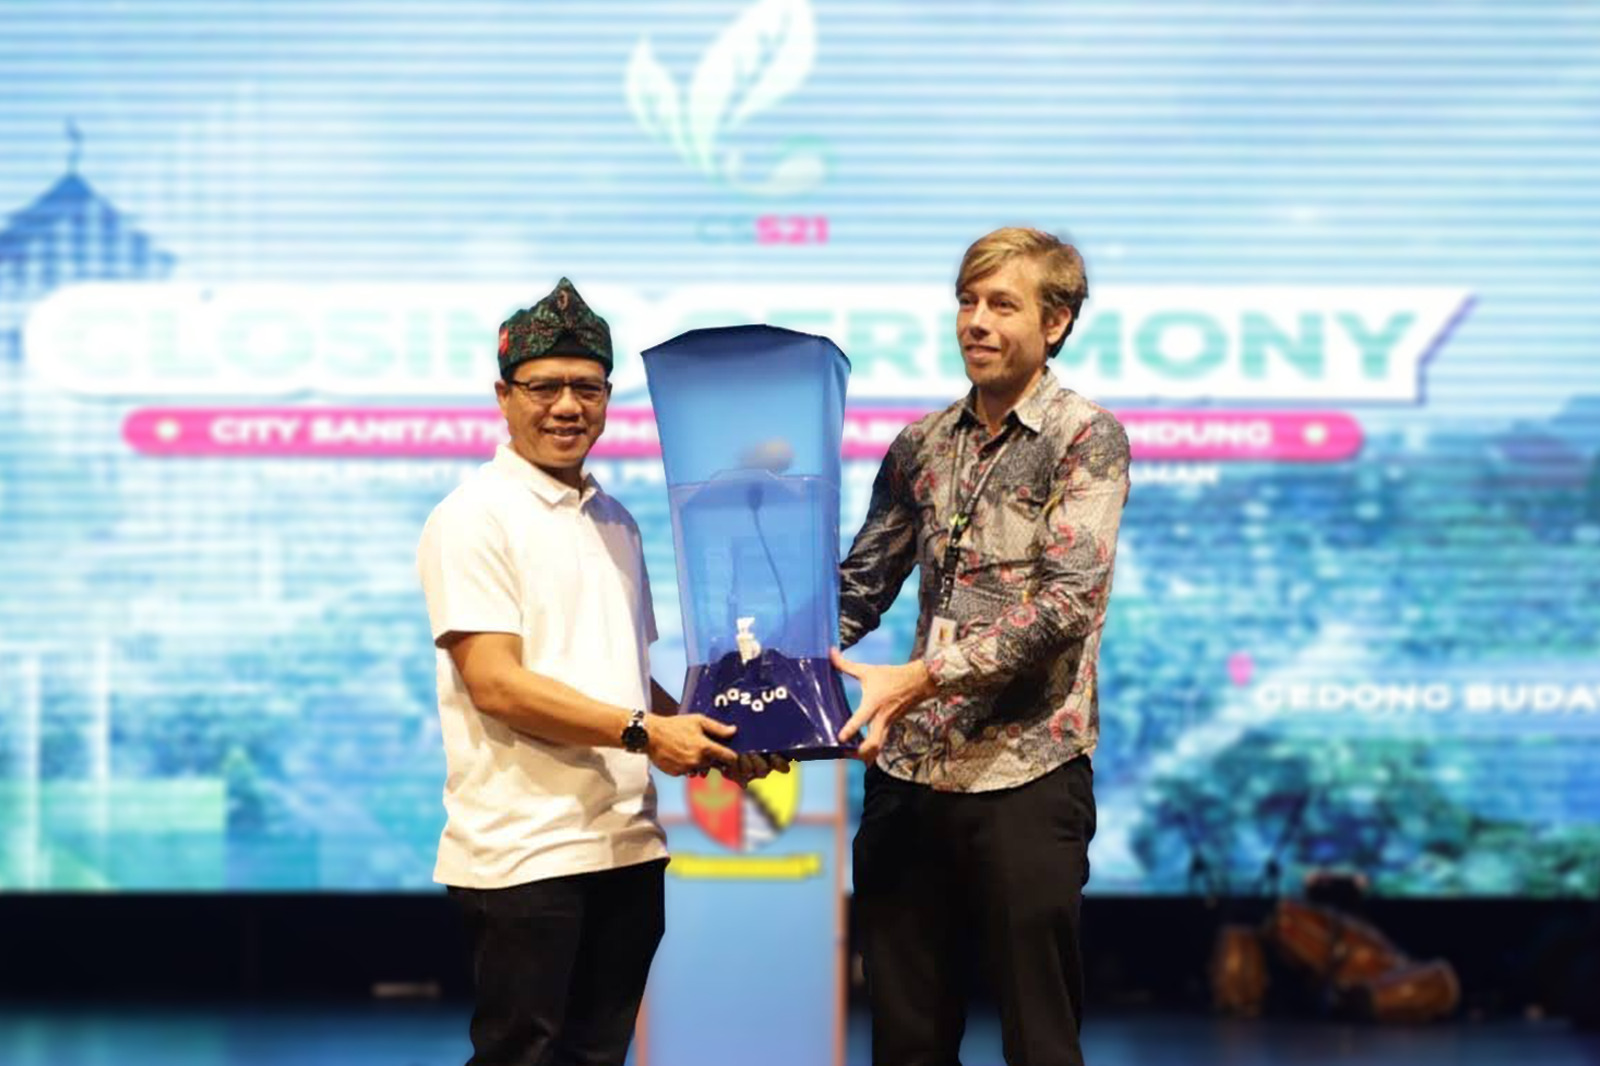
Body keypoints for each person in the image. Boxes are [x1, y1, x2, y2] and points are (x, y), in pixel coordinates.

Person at [416, 277, 769, 1066]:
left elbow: (628, 676)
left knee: (598, 1057)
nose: (568, 406)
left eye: (588, 387)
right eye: (544, 387)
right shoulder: (473, 517)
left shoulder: (616, 520)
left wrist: (715, 736)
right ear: (503, 397)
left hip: (626, 844)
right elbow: (496, 684)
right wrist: (645, 733)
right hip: (524, 850)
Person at [832, 228, 1131, 1066]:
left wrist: (922, 676)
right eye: (967, 302)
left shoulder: (1085, 437)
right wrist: (764, 661)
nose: (977, 321)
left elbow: (1068, 603)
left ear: (1056, 322)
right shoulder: (921, 444)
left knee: (1039, 1042)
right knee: (907, 1045)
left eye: (1002, 304)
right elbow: (860, 587)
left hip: (1025, 774)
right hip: (909, 778)